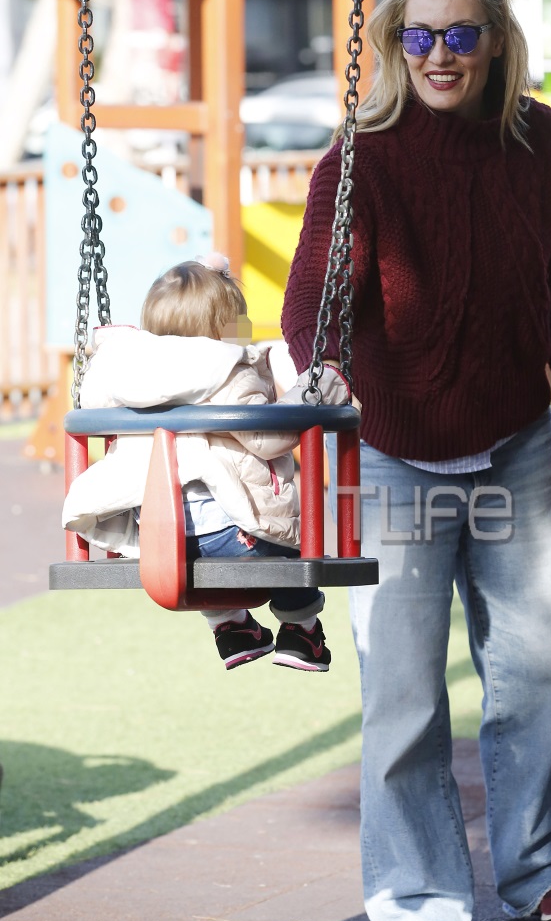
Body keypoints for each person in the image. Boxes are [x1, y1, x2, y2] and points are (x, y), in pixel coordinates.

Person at [282, 0, 551, 921]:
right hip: (396, 455)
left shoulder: (539, 140)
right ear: (394, 42)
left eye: (460, 33)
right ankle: (416, 891)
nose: (438, 53)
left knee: (533, 669)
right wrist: (322, 366)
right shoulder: (362, 156)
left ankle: (541, 864)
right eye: (418, 34)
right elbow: (312, 297)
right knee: (404, 689)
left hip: (512, 441)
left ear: (494, 42)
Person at [62, 255, 349, 672]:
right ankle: (301, 631)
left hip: (159, 540)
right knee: (291, 550)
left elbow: (89, 404)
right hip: (238, 537)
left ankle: (230, 627)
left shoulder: (123, 372)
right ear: (224, 331)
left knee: (201, 546)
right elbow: (267, 438)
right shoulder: (227, 370)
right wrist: (315, 391)